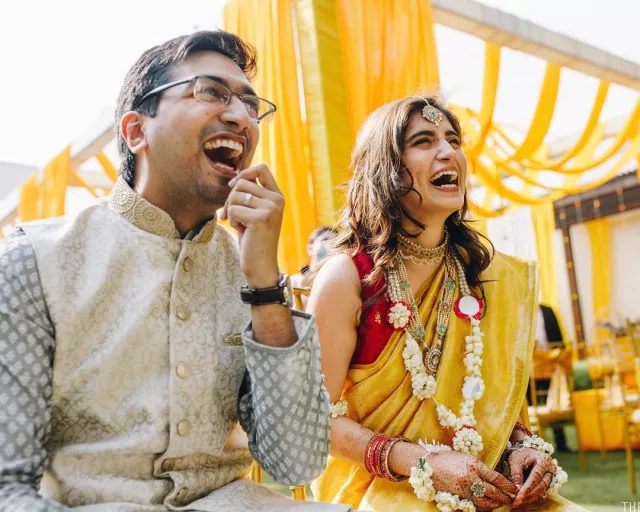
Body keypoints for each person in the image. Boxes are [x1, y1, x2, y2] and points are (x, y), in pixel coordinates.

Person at [0, 30, 349, 512]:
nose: (240, 116)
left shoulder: (251, 271)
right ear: (136, 130)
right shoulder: (35, 259)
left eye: (250, 105)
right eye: (211, 92)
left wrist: (266, 286)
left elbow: (296, 463)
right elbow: (6, 486)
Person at [308, 95, 585, 511]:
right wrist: (424, 462)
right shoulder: (348, 278)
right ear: (384, 169)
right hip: (384, 491)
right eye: (424, 141)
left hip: (485, 485)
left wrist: (523, 448)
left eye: (453, 140)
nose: (448, 152)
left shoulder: (486, 273)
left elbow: (499, 404)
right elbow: (314, 422)